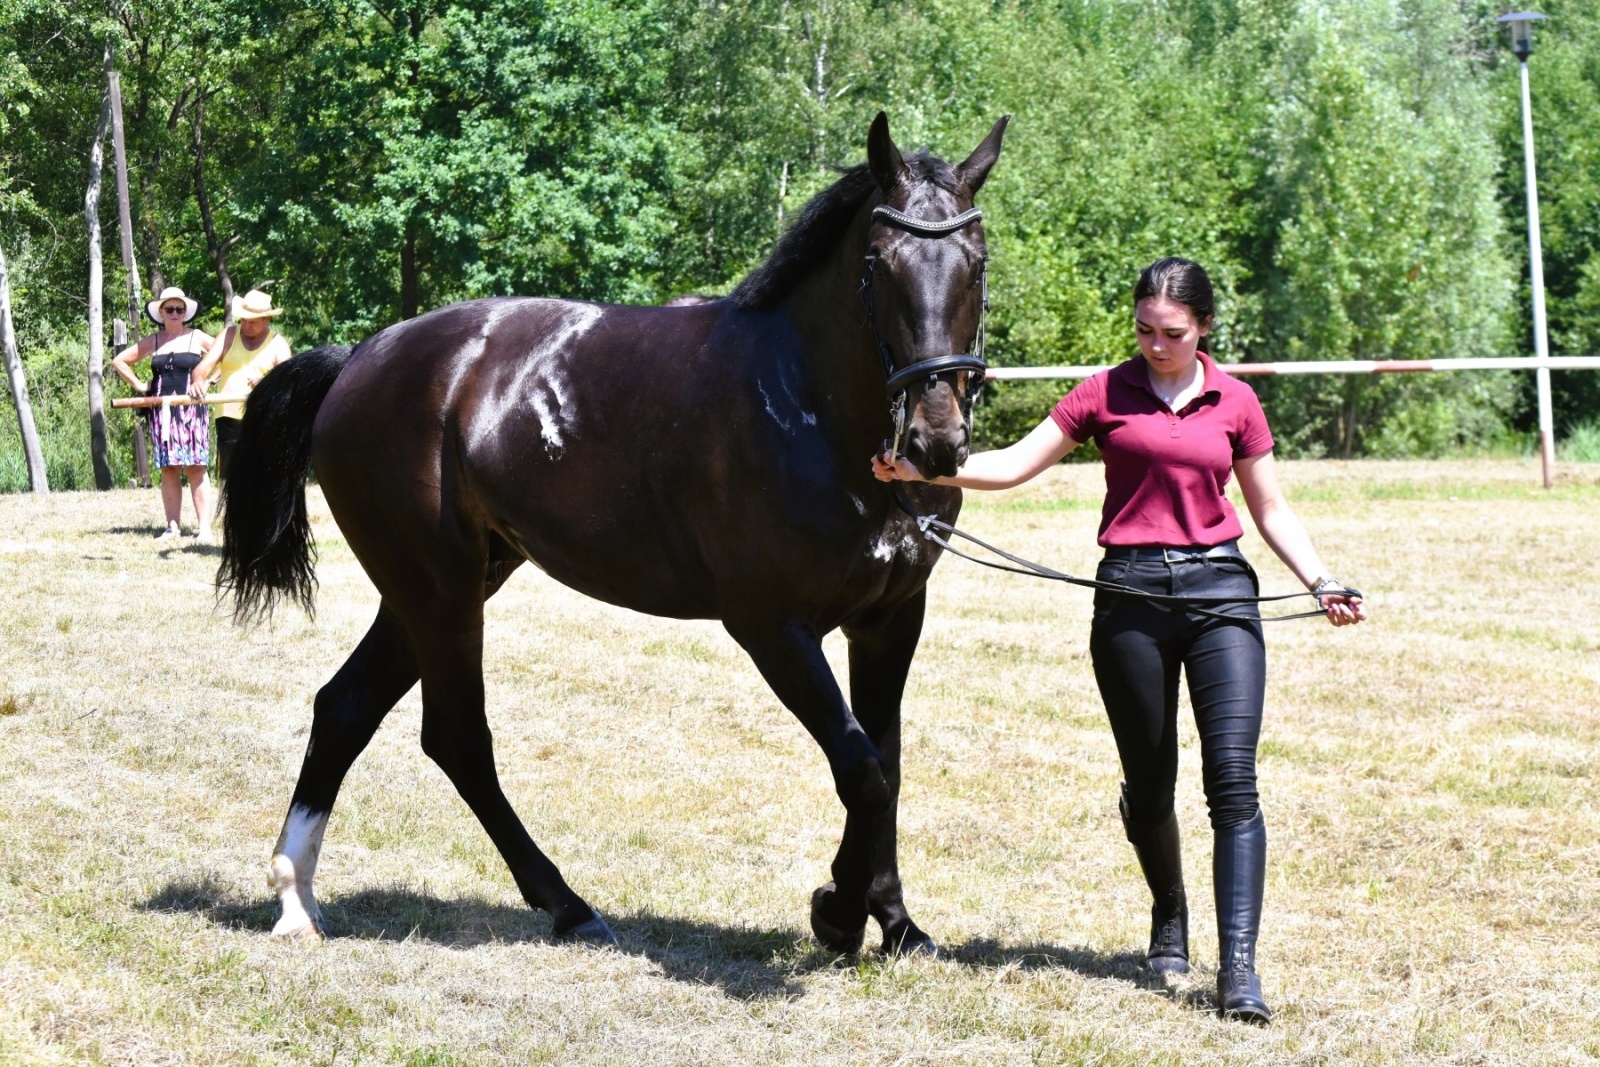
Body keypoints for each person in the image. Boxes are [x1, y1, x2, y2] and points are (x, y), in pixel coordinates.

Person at [872, 257, 1366, 1025]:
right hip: (1130, 597)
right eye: (1143, 329)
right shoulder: (1105, 391)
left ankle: (1239, 970)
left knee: (1233, 781)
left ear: (1203, 328)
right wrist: (923, 469)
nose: (1155, 344)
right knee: (1151, 780)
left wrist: (1321, 579)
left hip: (1220, 594)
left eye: (1172, 332)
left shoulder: (1236, 400)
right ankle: (1169, 912)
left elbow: (1271, 508)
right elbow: (1011, 465)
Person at [111, 286, 216, 541]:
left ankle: (204, 529)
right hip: (161, 412)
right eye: (170, 309)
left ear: (185, 312)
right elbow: (119, 361)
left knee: (195, 467)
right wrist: (140, 385)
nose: (175, 313)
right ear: (161, 312)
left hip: (191, 410)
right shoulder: (154, 340)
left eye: (179, 309)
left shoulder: (197, 337)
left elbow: (223, 357)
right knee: (169, 468)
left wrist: (207, 382)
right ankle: (172, 527)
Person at [189, 288, 292, 478]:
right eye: (243, 319)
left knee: (263, 474)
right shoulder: (228, 335)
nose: (246, 325)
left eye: (252, 322)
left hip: (264, 417)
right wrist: (198, 381)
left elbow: (288, 383)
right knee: (231, 477)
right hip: (228, 416)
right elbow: (202, 368)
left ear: (266, 319)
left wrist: (266, 383)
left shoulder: (278, 344)